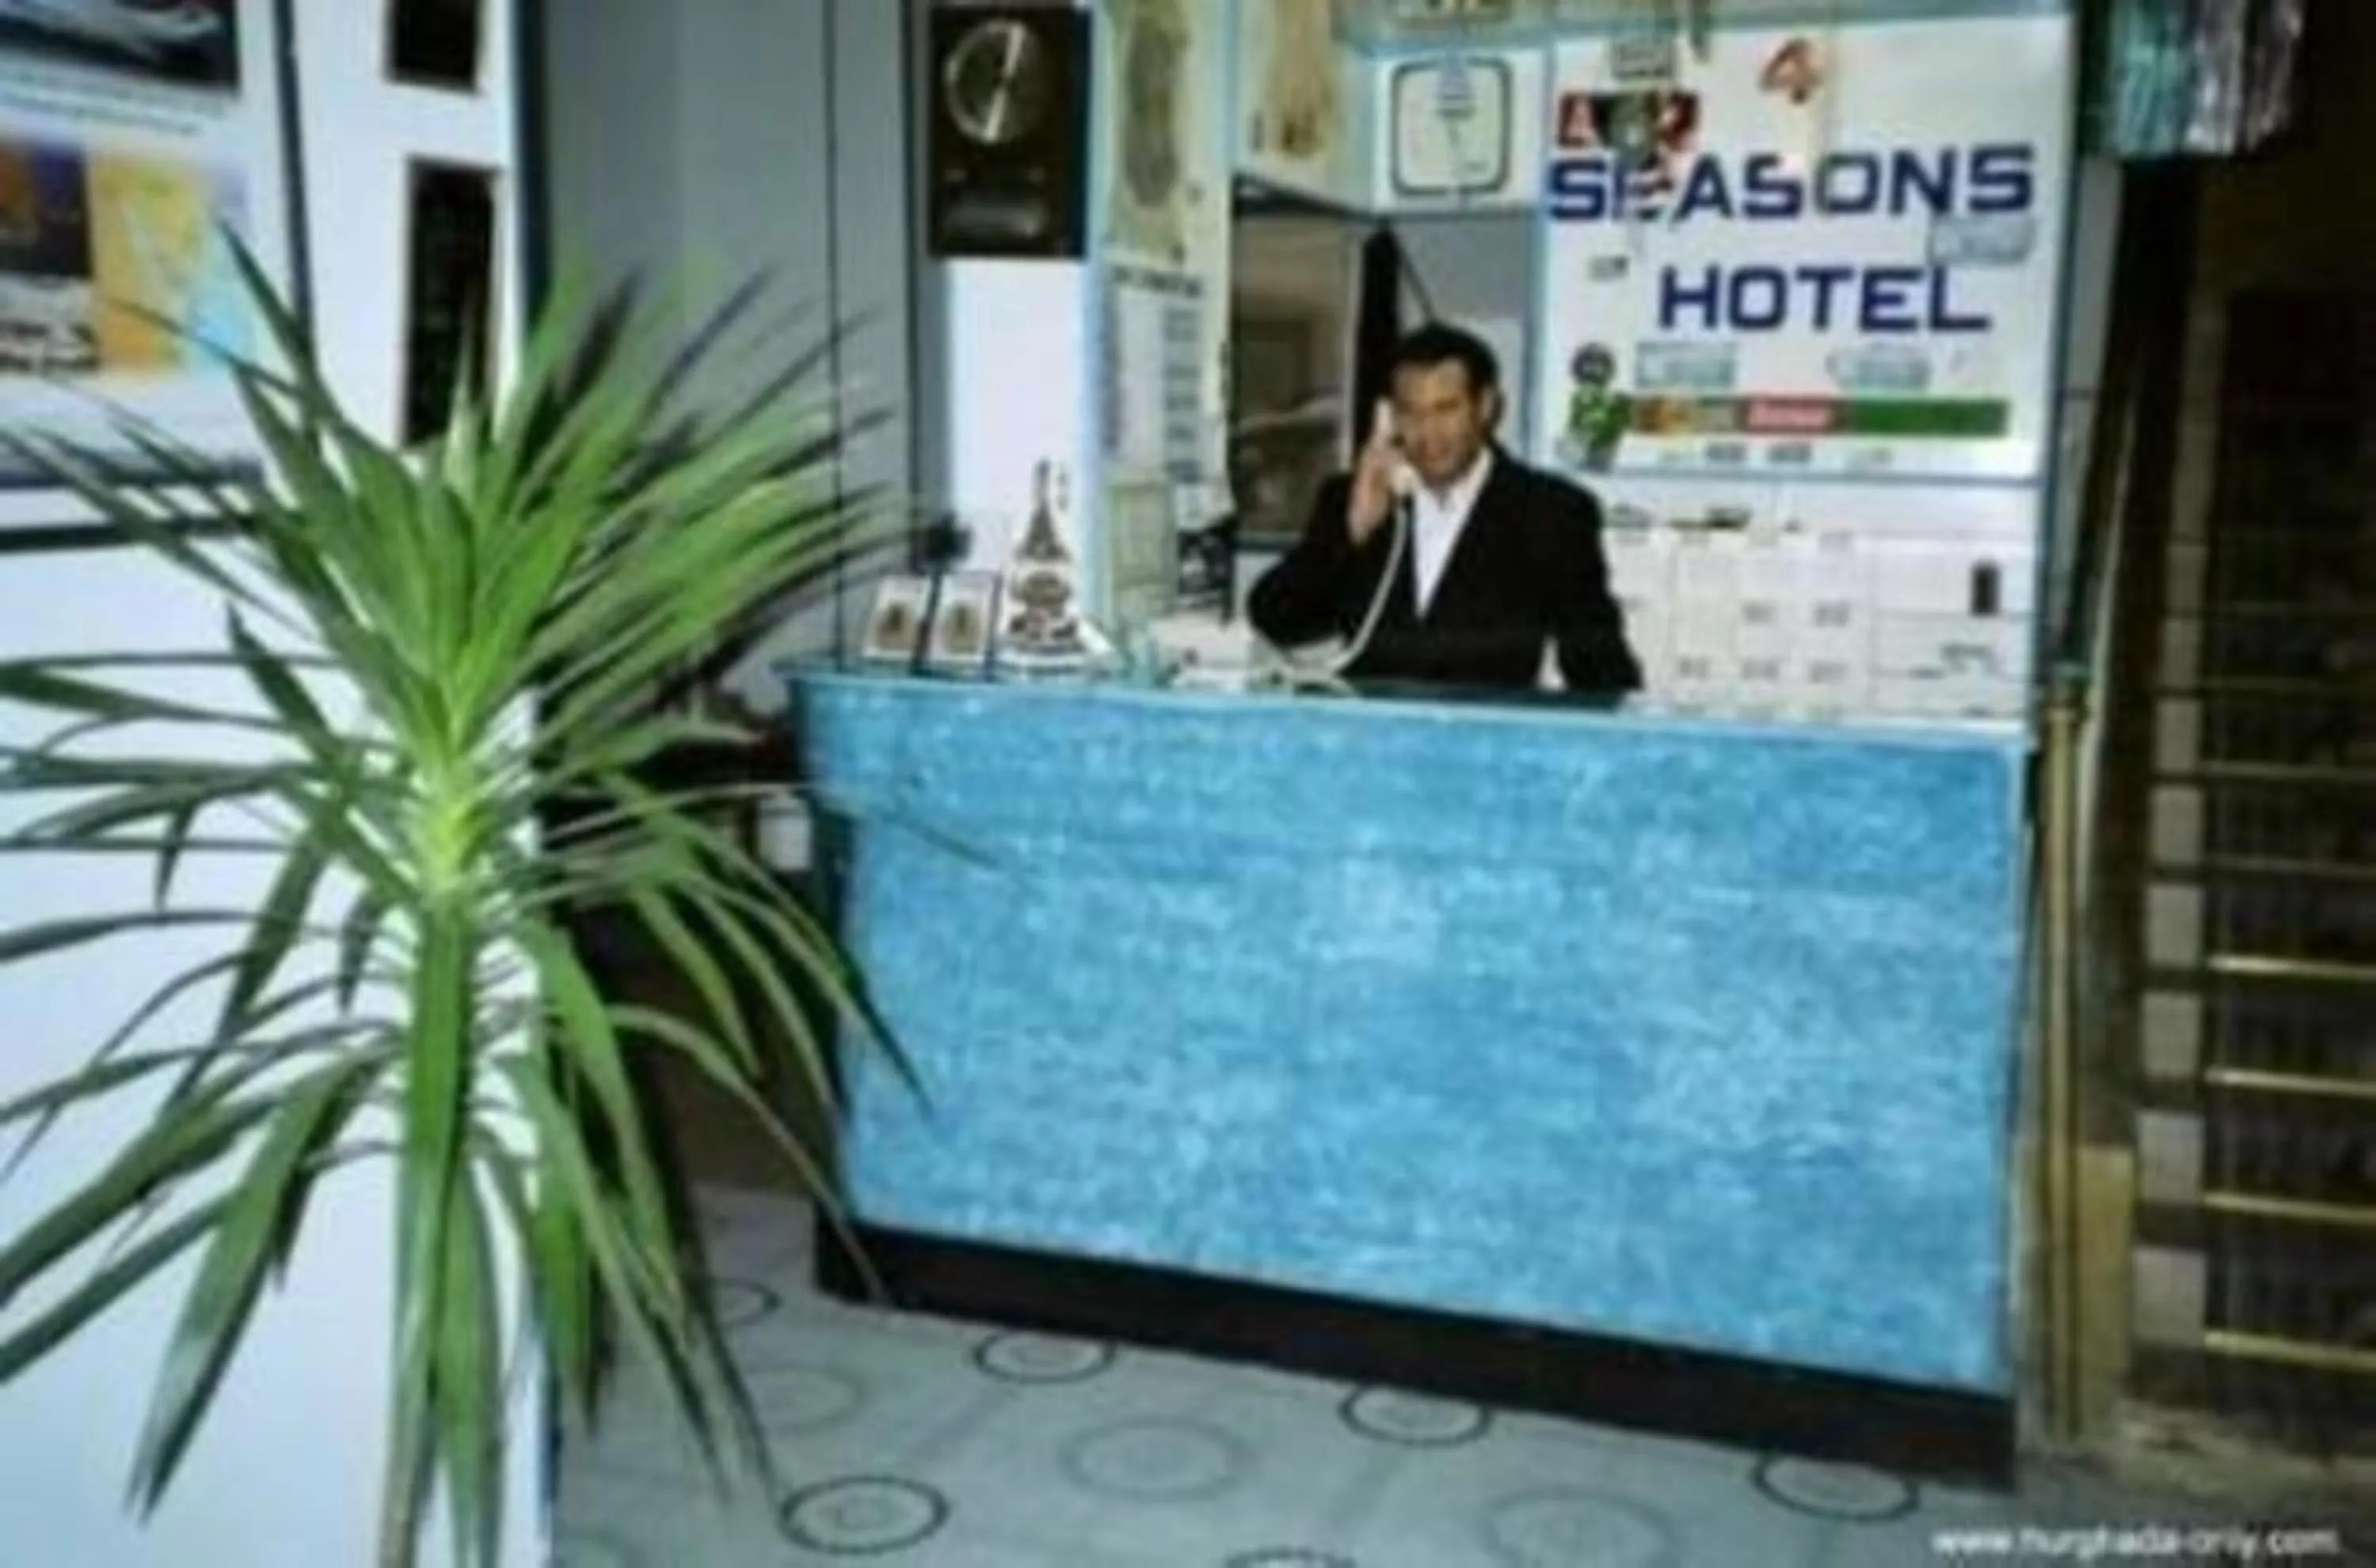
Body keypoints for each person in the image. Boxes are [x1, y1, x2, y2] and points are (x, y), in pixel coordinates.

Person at [1247, 323, 1641, 696]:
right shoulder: (1352, 498)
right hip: (1370, 747)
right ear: (1390, 415)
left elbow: (1598, 665)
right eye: (1410, 412)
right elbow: (1277, 620)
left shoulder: (1551, 513)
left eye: (1446, 410)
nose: (1427, 433)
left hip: (1486, 749)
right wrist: (1353, 531)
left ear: (1485, 407)